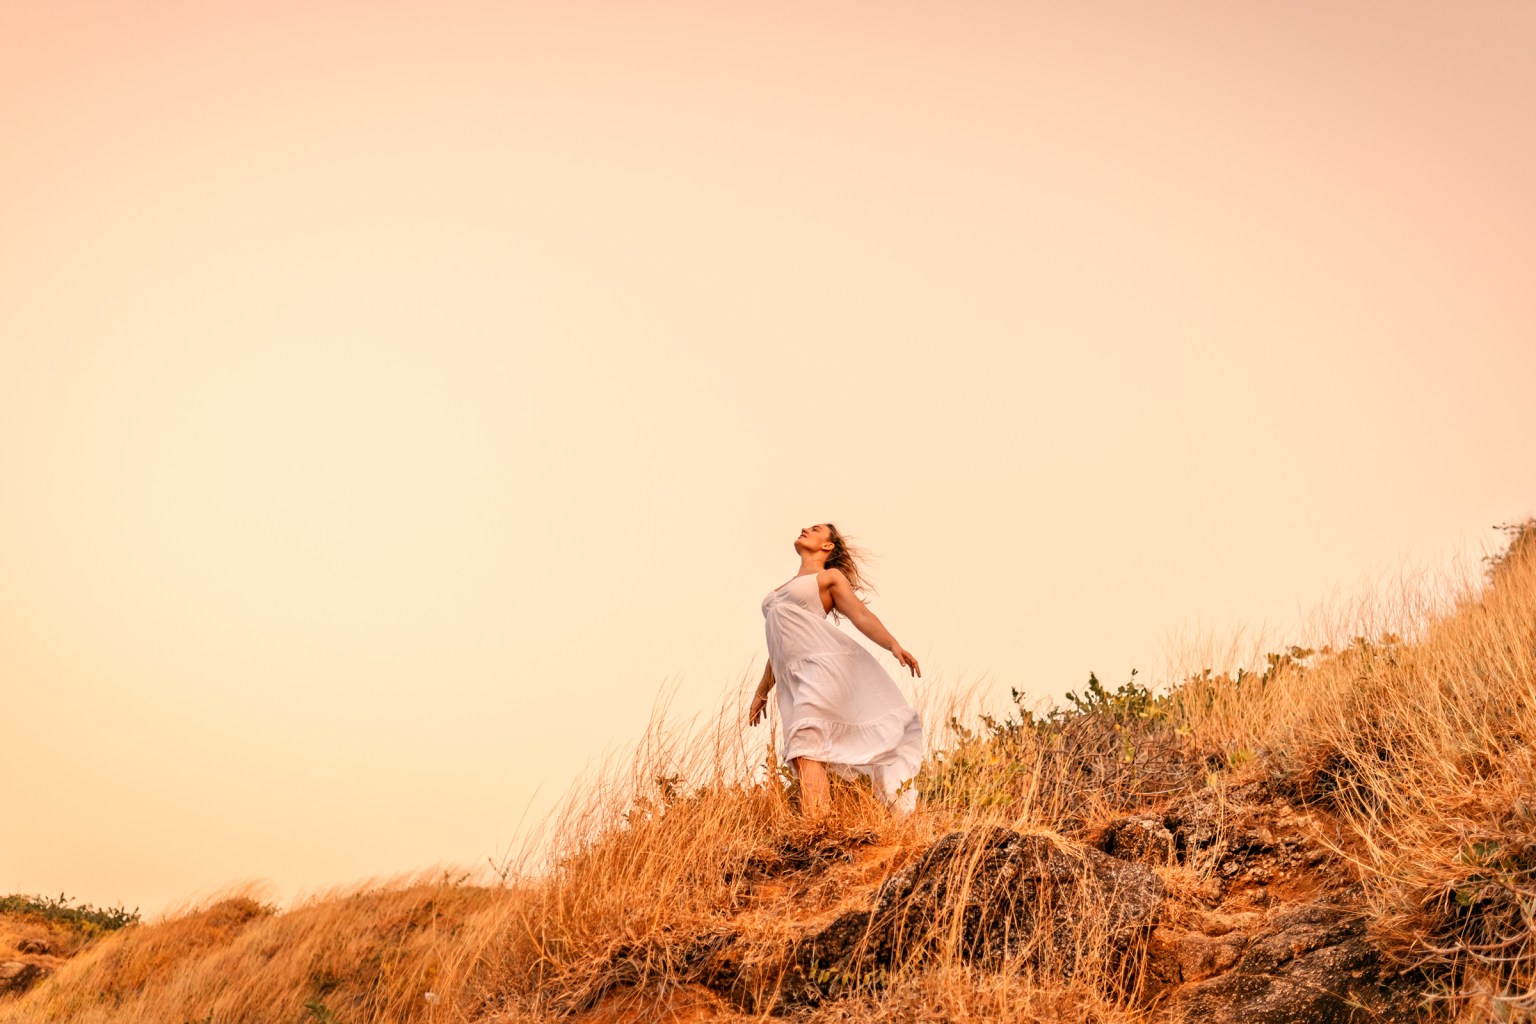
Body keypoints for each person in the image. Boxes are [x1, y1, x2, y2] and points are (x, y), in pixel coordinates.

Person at [750, 523, 924, 816]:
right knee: (802, 749)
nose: (804, 528)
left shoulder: (828, 577)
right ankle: (818, 821)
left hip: (821, 667)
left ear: (827, 546)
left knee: (806, 741)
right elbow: (780, 645)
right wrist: (761, 692)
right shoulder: (783, 589)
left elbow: (860, 614)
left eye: (815, 529)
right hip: (791, 677)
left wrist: (893, 645)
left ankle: (818, 823)